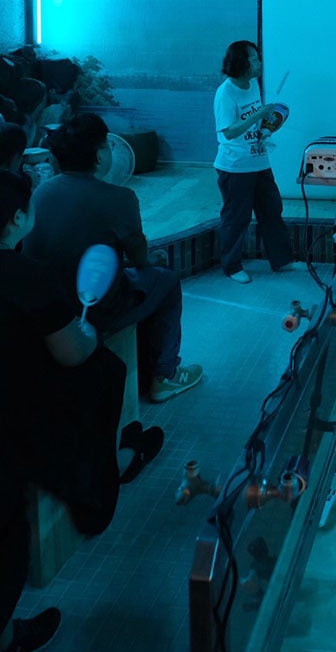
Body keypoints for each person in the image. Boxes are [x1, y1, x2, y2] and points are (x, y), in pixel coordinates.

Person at [0, 170, 123, 652]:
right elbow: (72, 353)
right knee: (105, 374)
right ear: (16, 219)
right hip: (14, 420)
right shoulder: (26, 277)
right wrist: (88, 335)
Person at [24, 114, 202, 403]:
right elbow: (141, 259)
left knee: (142, 282)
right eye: (107, 145)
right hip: (92, 311)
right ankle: (164, 376)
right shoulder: (119, 198)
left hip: (48, 307)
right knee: (166, 281)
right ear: (98, 156)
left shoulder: (41, 193)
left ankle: (148, 368)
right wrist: (149, 259)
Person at [214, 40, 293, 284]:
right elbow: (229, 131)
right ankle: (232, 266)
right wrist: (259, 114)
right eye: (255, 59)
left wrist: (266, 128)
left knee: (272, 210)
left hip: (259, 162)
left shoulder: (253, 84)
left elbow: (253, 123)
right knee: (237, 217)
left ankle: (282, 260)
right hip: (235, 166)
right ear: (242, 63)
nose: (260, 63)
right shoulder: (225, 93)